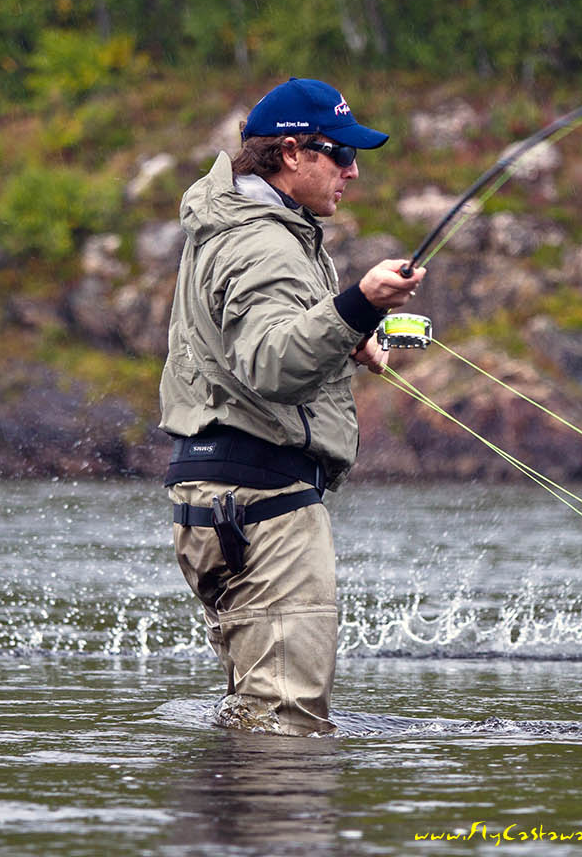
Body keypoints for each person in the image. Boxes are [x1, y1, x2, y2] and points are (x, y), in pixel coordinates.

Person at [158, 77, 424, 735]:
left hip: (223, 499)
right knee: (284, 724)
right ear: (292, 154)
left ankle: (225, 836)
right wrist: (359, 303)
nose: (354, 171)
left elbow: (247, 349)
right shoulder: (262, 242)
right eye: (340, 154)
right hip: (264, 510)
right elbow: (270, 362)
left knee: (255, 713)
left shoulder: (246, 227)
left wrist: (345, 335)